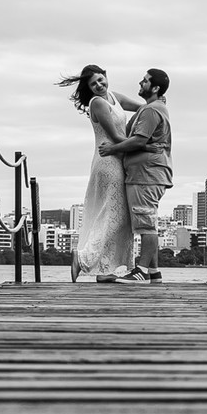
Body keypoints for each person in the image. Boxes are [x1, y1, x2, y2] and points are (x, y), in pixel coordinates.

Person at [57, 64, 142, 282]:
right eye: (93, 83)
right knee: (114, 215)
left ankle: (107, 270)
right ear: (89, 88)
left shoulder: (113, 96)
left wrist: (157, 104)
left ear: (106, 76)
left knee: (118, 216)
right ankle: (83, 258)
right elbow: (115, 137)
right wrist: (144, 145)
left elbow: (142, 108)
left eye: (100, 79)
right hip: (108, 162)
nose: (99, 85)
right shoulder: (98, 103)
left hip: (118, 159)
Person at [98, 68, 172, 284]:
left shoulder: (151, 111)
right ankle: (153, 271)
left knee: (146, 222)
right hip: (145, 173)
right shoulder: (153, 108)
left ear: (155, 88)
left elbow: (139, 140)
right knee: (146, 220)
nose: (141, 83)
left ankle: (140, 271)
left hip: (147, 175)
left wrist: (112, 149)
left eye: (146, 81)